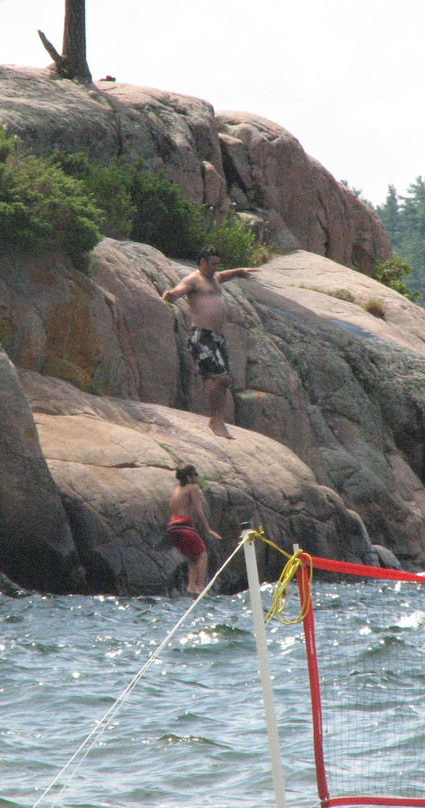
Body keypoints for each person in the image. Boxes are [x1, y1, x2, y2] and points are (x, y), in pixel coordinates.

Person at [162, 246, 257, 438]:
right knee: (220, 378)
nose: (216, 268)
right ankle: (215, 421)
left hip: (217, 338)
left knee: (224, 380)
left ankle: (218, 419)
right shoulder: (193, 280)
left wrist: (239, 271)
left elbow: (224, 275)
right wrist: (171, 295)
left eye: (218, 264)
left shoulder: (215, 277)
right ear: (202, 262)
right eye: (213, 264)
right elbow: (179, 290)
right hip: (201, 337)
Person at [166, 464, 220, 595]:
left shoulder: (177, 488)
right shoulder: (192, 487)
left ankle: (191, 587)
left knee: (193, 556)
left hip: (172, 528)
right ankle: (200, 588)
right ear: (189, 477)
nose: (198, 477)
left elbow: (172, 509)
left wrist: (191, 526)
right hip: (182, 526)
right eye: (196, 475)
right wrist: (207, 529)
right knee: (203, 555)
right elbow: (198, 509)